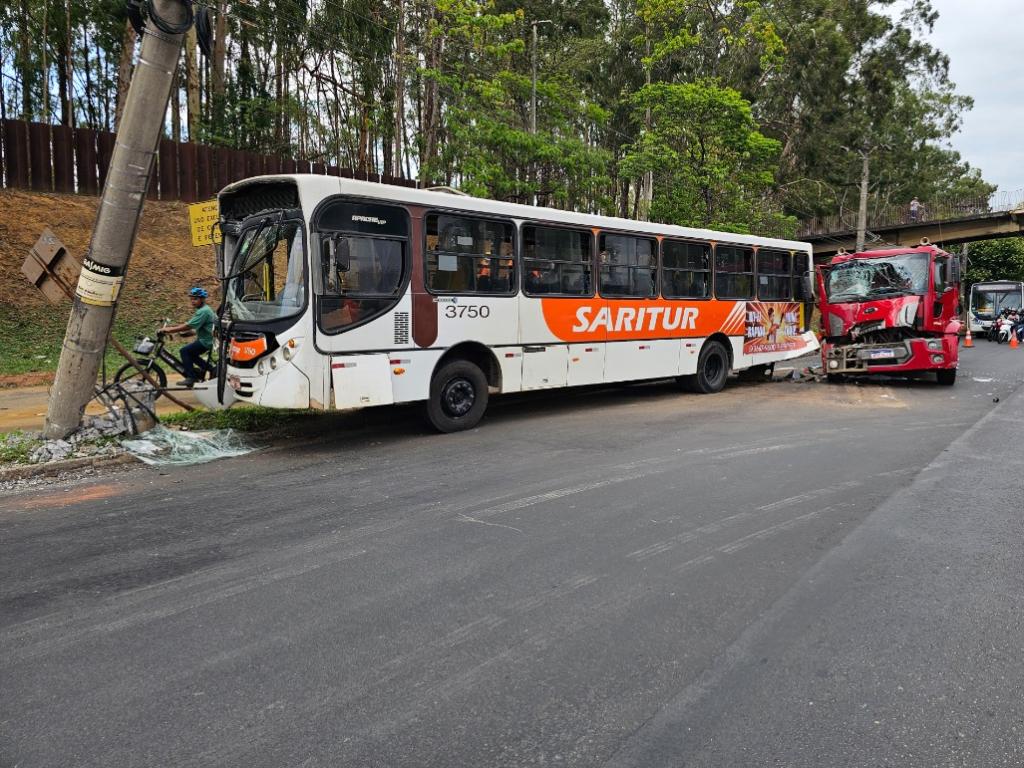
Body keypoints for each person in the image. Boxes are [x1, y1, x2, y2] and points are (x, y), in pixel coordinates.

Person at [160, 287, 217, 387]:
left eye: (195, 299)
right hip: (207, 339)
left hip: (207, 341)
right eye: (191, 299)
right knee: (191, 354)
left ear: (202, 299)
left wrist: (169, 330)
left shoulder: (203, 311)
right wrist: (183, 334)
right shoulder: (204, 310)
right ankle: (211, 369)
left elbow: (189, 326)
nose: (192, 301)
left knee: (185, 351)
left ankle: (191, 377)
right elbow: (196, 329)